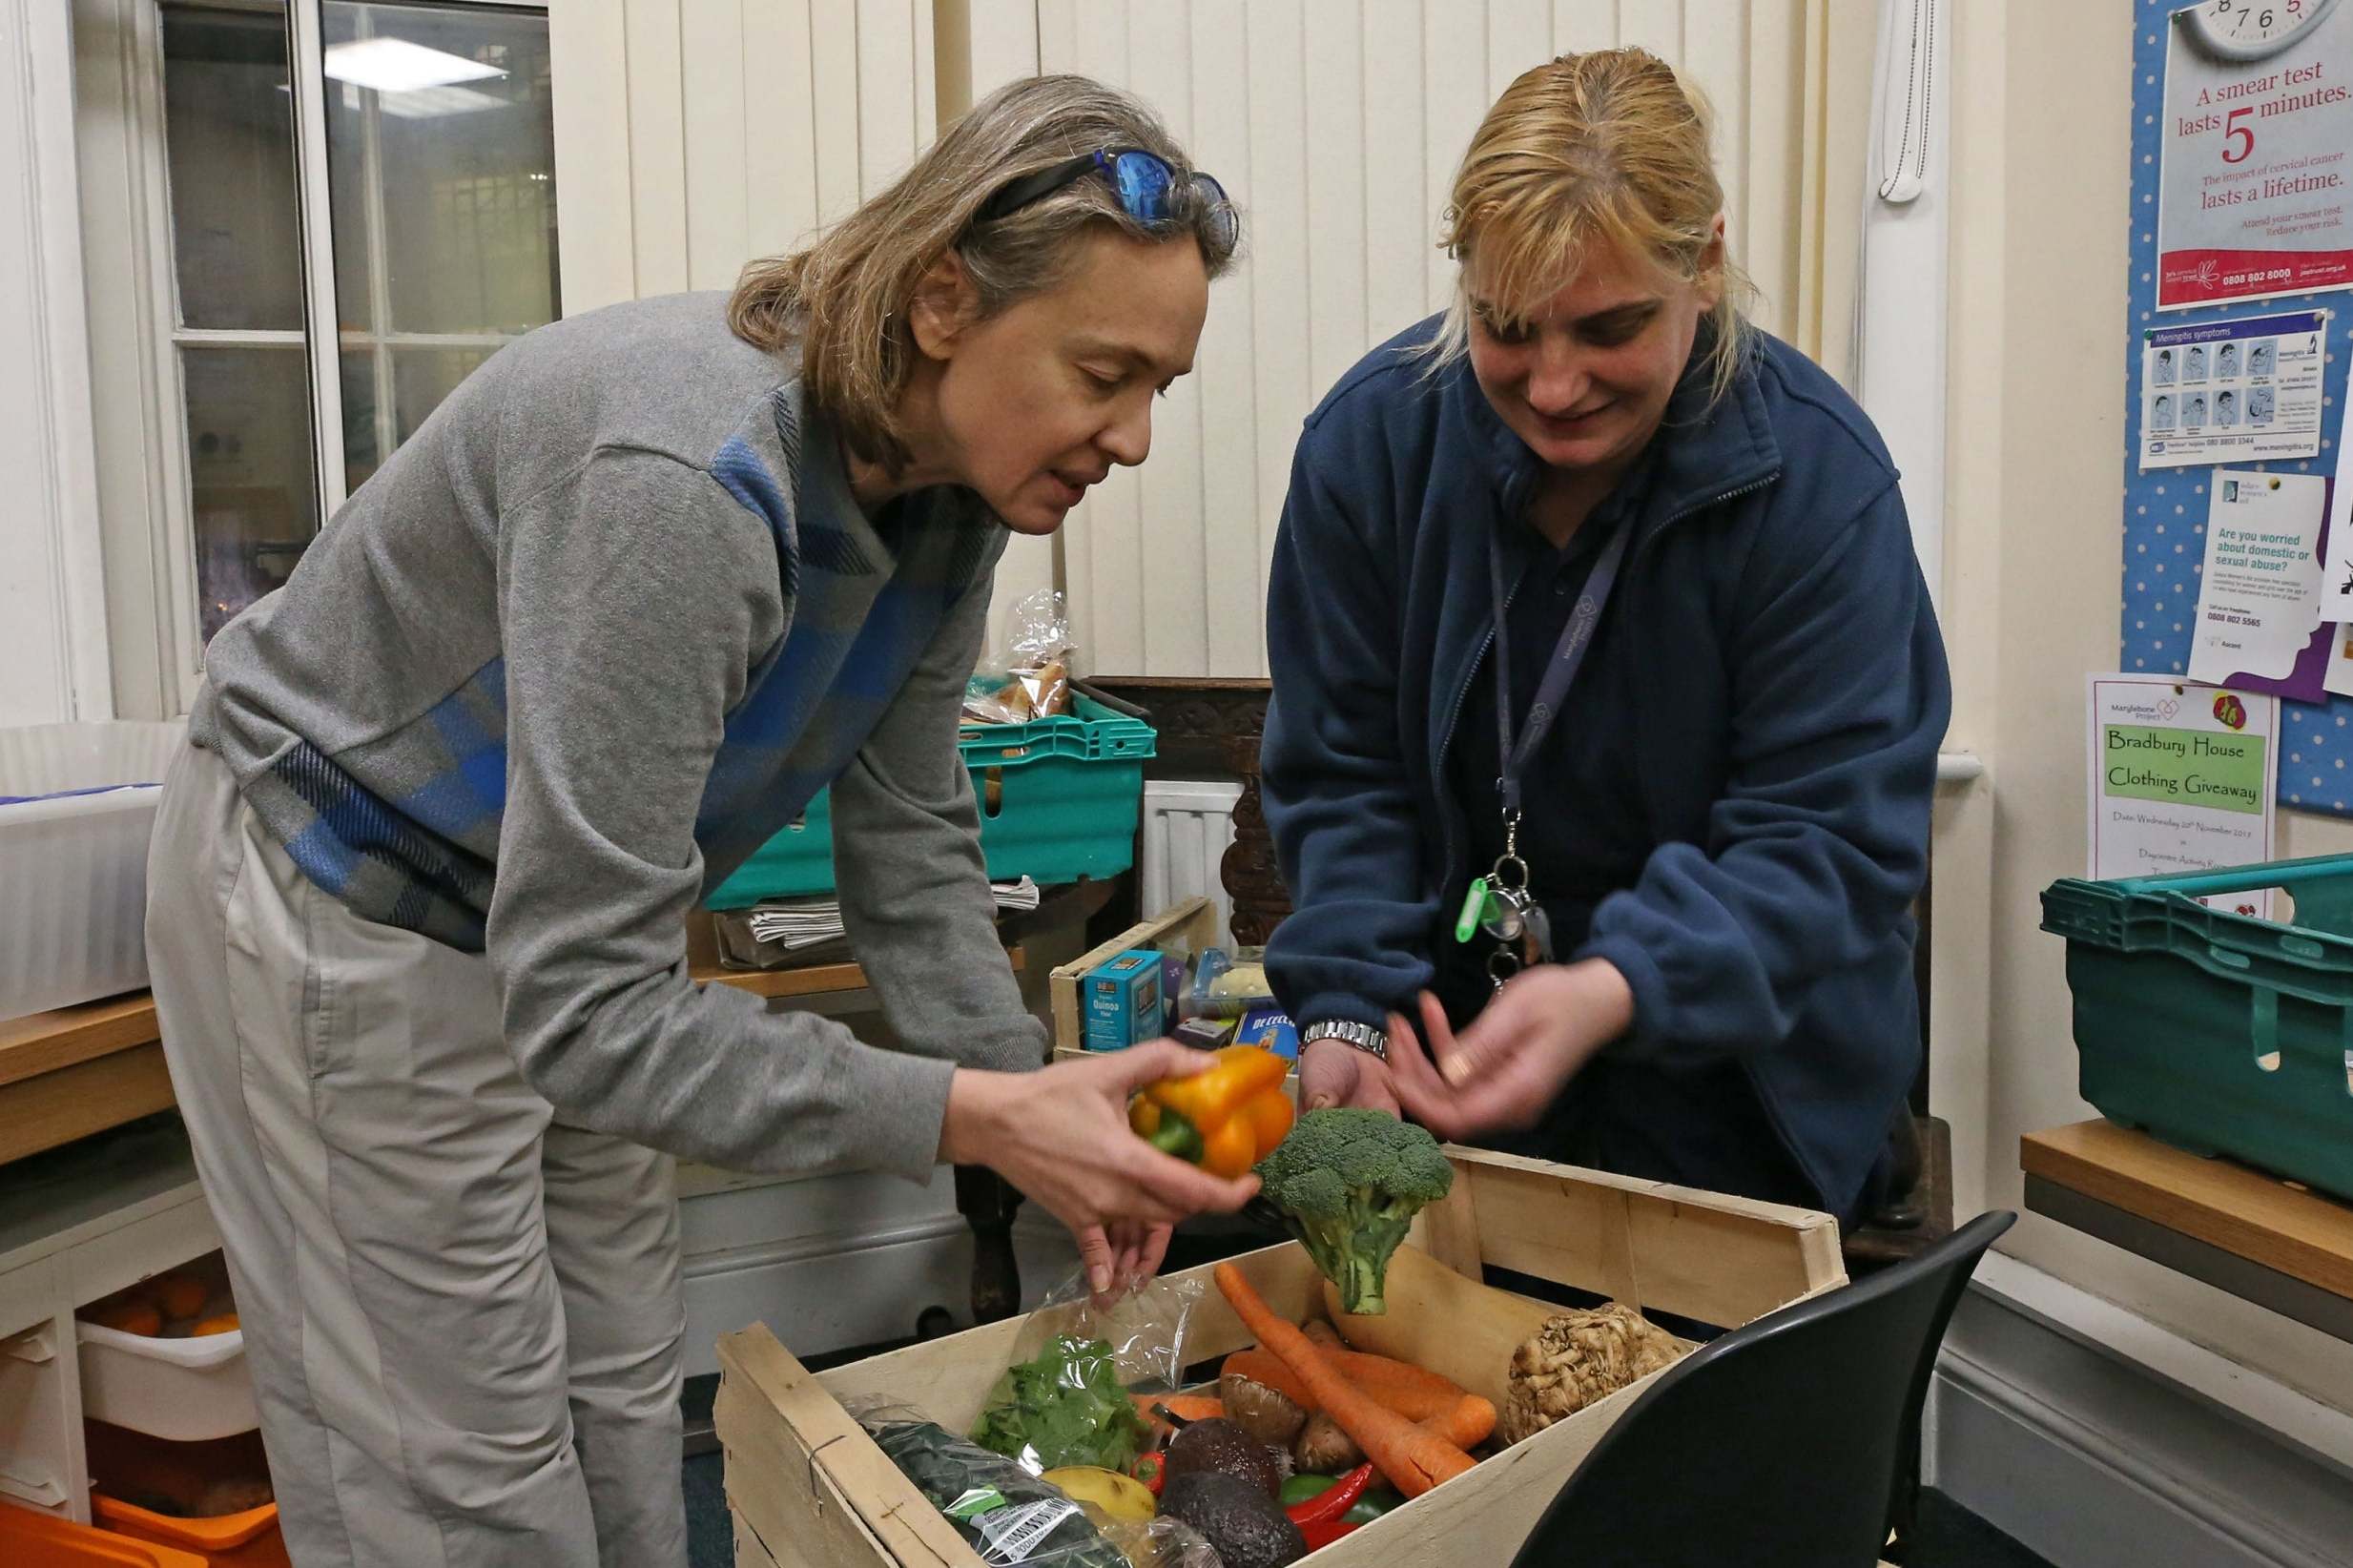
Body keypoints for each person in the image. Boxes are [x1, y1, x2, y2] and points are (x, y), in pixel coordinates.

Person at [144, 75, 1253, 1568]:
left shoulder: (952, 492)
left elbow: (911, 840)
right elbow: (589, 1010)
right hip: (344, 899)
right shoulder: (685, 486)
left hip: (564, 934)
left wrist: (1029, 1125)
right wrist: (972, 1113)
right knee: (454, 1464)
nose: (1126, 438)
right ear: (941, 301)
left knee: (617, 1391)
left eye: (1155, 392)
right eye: (1100, 372)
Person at [1260, 49, 1950, 1228]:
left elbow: (1828, 840)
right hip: (1453, 1046)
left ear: (1707, 267)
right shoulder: (1367, 449)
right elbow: (1345, 779)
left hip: (1745, 1077)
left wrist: (1615, 985)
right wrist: (1344, 1013)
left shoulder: (1823, 485)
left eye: (1610, 327)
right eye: (1506, 328)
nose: (1555, 384)